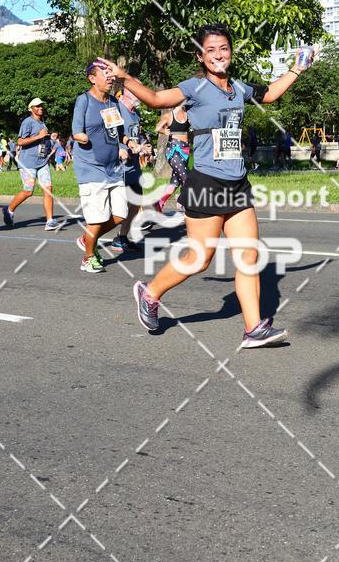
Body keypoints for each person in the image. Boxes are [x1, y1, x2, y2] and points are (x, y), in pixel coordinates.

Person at [96, 24, 314, 348]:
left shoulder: (239, 88)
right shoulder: (194, 88)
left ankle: (253, 328)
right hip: (206, 183)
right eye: (210, 50)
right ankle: (150, 292)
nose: (217, 55)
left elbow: (269, 93)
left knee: (249, 257)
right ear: (201, 56)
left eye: (223, 48)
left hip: (237, 183)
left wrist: (297, 68)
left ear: (230, 51)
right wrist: (125, 77)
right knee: (199, 259)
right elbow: (156, 99)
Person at [71, 63, 136, 273]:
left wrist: (128, 143)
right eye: (105, 74)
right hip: (91, 167)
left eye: (110, 74)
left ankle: (87, 238)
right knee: (96, 218)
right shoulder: (84, 101)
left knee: (120, 214)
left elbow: (118, 133)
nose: (110, 77)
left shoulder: (113, 102)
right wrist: (80, 137)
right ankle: (88, 257)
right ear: (92, 78)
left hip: (113, 168)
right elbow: (76, 131)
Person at [2, 98, 58, 231]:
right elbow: (20, 141)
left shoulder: (42, 123)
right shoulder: (27, 122)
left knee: (48, 189)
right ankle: (9, 209)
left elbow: (42, 139)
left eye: (41, 106)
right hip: (28, 162)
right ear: (31, 109)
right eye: (37, 106)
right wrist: (38, 137)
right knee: (28, 191)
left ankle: (49, 221)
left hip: (42, 161)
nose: (41, 108)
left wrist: (48, 142)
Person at [110, 82, 150, 253]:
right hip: (118, 167)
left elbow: (135, 135)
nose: (140, 93)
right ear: (126, 92)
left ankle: (122, 238)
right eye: (136, 90)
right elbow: (109, 134)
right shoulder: (117, 108)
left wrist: (143, 147)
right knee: (118, 208)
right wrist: (118, 148)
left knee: (136, 202)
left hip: (133, 165)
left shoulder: (136, 113)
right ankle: (91, 237)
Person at [154, 104, 190, 213]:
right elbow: (157, 128)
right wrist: (164, 131)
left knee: (175, 181)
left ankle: (158, 204)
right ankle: (189, 207)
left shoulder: (188, 114)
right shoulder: (169, 115)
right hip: (174, 149)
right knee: (186, 179)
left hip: (185, 149)